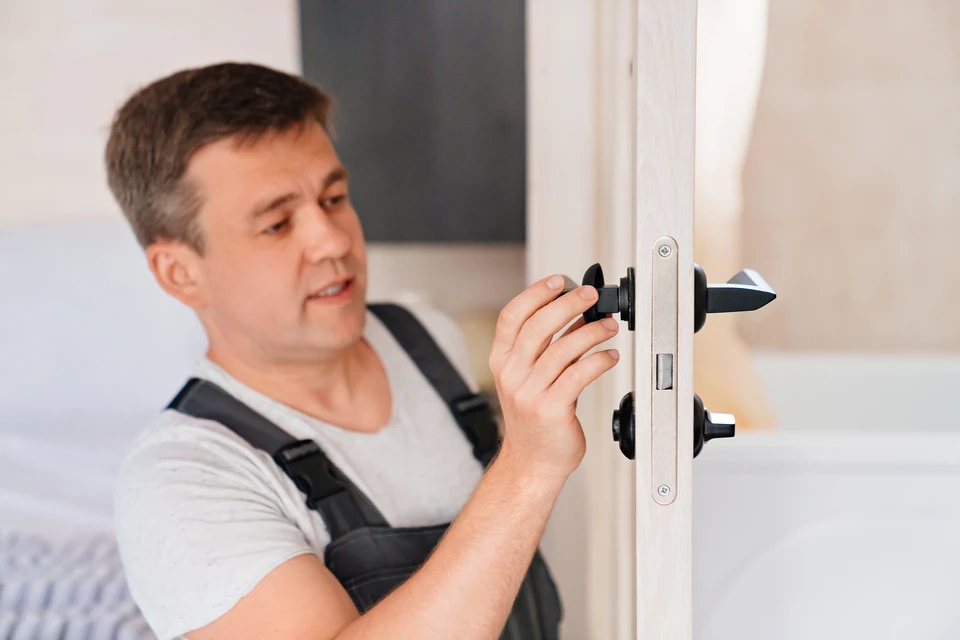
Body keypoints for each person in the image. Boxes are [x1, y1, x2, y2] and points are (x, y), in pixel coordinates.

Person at [107, 62, 621, 640]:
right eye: (277, 224)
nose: (332, 240)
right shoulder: (183, 481)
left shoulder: (427, 338)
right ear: (180, 272)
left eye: (333, 198)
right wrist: (527, 465)